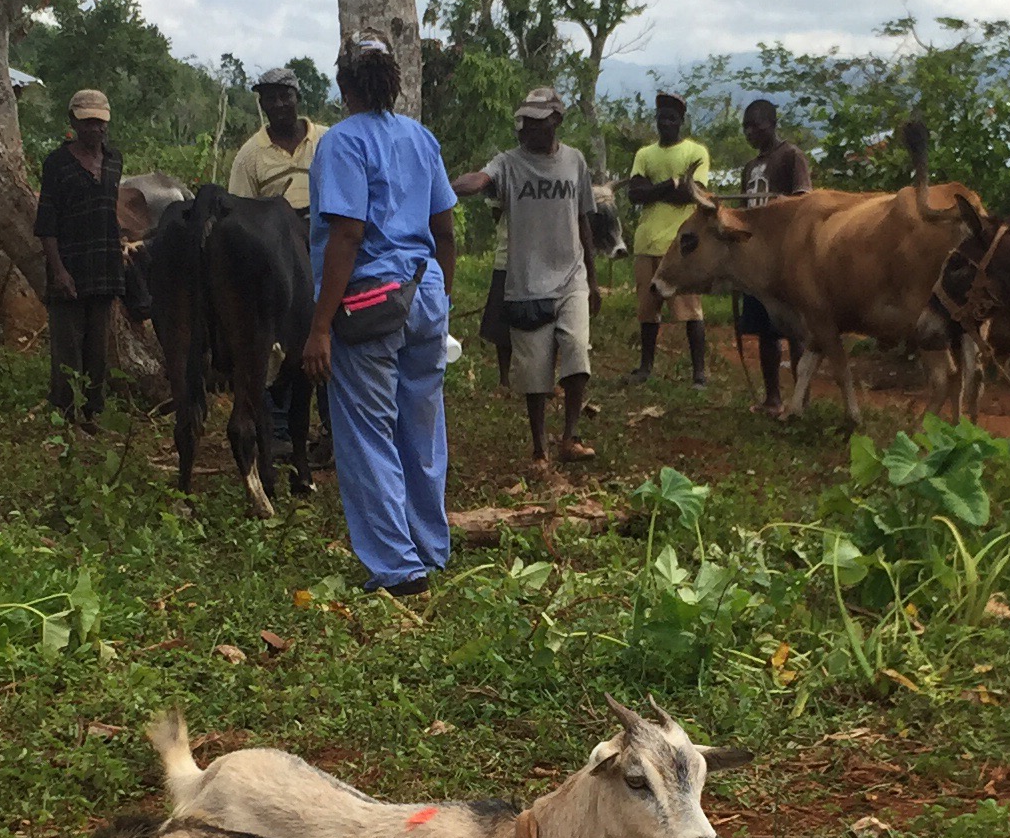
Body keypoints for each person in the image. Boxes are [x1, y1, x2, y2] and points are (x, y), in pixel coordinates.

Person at [304, 35, 460, 594]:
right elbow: (444, 230)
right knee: (422, 426)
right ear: (392, 80)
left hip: (369, 302)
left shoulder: (341, 143)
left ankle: (398, 567)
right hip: (425, 293)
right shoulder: (420, 138)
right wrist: (443, 300)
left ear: (344, 84)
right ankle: (431, 549)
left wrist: (319, 326)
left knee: (367, 431)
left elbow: (347, 233)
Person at [454, 87, 599, 470]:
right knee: (535, 373)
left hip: (571, 276)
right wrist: (446, 187)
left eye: (536, 123)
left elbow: (583, 219)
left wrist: (593, 279)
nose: (526, 130)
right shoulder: (508, 163)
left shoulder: (575, 161)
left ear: (556, 121)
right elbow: (480, 180)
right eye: (523, 123)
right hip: (526, 281)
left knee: (577, 350)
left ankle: (570, 437)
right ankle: (539, 450)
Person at [36, 88, 127, 427]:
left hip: (104, 266)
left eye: (100, 122)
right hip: (70, 267)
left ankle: (92, 412)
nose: (95, 128)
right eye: (87, 122)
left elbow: (108, 211)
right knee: (67, 347)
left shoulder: (114, 160)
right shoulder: (57, 163)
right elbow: (46, 223)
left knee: (98, 348)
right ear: (73, 122)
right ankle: (64, 412)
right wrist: (58, 271)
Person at [626, 91, 713, 387]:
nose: (666, 123)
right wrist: (671, 184)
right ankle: (645, 367)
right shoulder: (644, 154)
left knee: (690, 310)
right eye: (662, 118)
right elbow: (634, 194)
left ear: (681, 121)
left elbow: (692, 193)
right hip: (647, 241)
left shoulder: (695, 152)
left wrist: (655, 190)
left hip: (680, 244)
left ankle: (699, 372)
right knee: (647, 309)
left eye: (672, 118)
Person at [733, 97, 811, 408]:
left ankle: (801, 399)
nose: (749, 132)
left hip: (784, 257)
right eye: (745, 127)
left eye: (755, 126)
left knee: (794, 330)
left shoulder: (791, 156)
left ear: (772, 124)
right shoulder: (750, 167)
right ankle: (772, 398)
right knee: (765, 331)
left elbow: (804, 201)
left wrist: (780, 205)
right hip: (756, 259)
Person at [227, 64, 320, 213]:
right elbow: (240, 214)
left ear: (298, 98)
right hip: (276, 228)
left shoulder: (326, 140)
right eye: (271, 99)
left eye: (285, 96)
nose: (279, 104)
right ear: (262, 104)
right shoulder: (248, 157)